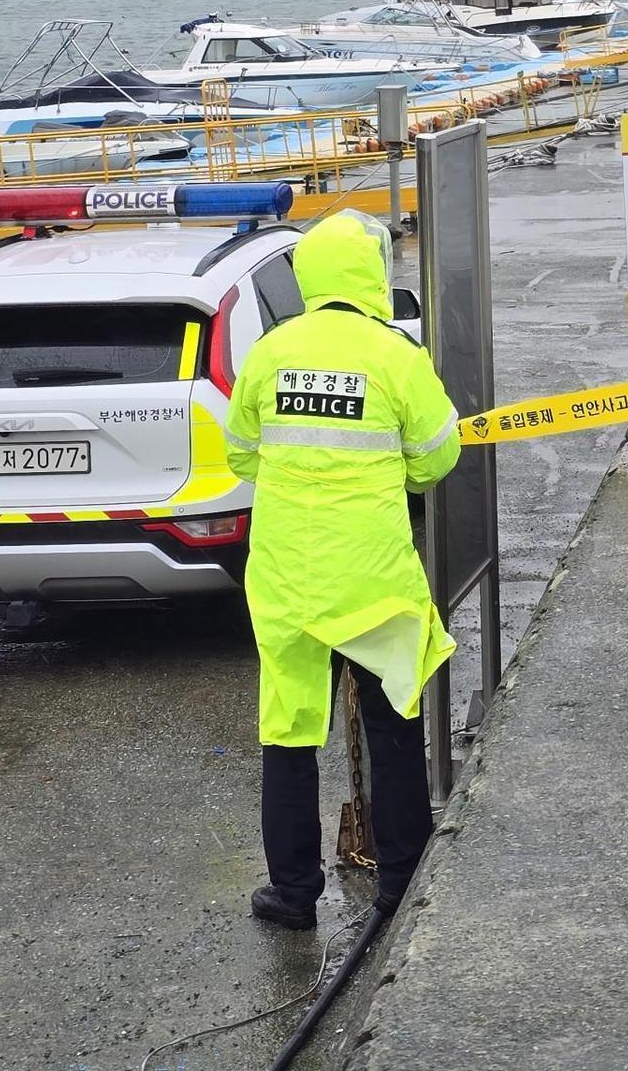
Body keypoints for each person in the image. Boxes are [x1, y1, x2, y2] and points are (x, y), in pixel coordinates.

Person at [223, 211, 461, 930]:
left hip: (288, 576)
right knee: (392, 727)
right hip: (372, 577)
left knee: (290, 733)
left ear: (310, 277)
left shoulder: (272, 349)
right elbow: (438, 455)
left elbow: (240, 451)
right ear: (373, 277)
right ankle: (400, 885)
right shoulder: (395, 355)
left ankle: (293, 895)